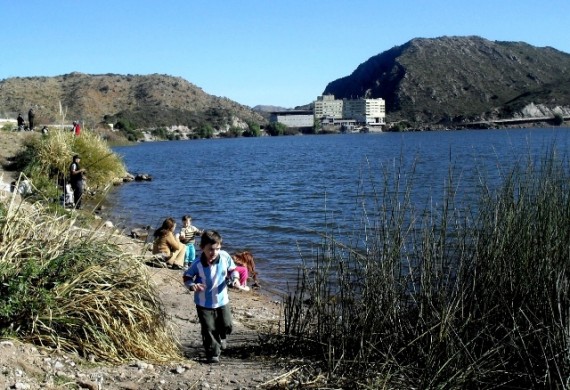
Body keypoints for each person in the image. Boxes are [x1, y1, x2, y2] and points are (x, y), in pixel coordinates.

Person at [183, 230, 240, 363]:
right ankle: (213, 352)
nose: (214, 253)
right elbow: (187, 276)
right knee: (208, 328)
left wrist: (235, 279)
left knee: (227, 325)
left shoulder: (225, 257)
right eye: (210, 250)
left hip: (222, 300)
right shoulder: (197, 263)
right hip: (203, 303)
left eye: (217, 249)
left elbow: (233, 269)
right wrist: (192, 285)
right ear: (202, 248)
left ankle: (222, 336)